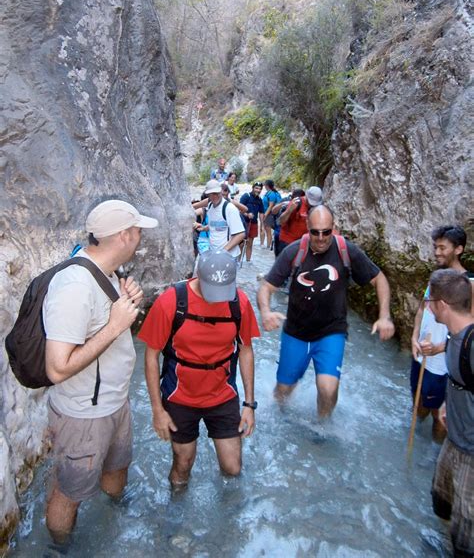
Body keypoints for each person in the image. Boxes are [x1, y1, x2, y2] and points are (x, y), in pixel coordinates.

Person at [43, 199, 158, 542]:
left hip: (113, 402)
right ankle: (60, 548)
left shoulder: (105, 271)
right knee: (70, 491)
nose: (141, 236)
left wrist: (126, 299)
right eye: (138, 231)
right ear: (123, 236)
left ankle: (113, 526)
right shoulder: (73, 287)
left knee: (116, 469)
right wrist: (115, 324)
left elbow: (103, 319)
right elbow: (56, 368)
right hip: (83, 414)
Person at [257, 205, 394, 419]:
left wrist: (384, 316)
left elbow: (379, 279)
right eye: (315, 232)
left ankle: (322, 429)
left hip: (331, 332)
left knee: (328, 389)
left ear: (334, 228)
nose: (321, 238)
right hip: (296, 332)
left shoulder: (347, 251)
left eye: (326, 232)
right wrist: (265, 312)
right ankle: (281, 420)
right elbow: (266, 286)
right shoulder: (294, 252)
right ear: (308, 227)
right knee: (283, 391)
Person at [140, 250, 260, 487]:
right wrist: (157, 410)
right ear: (198, 278)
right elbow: (151, 356)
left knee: (232, 468)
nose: (217, 299)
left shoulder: (239, 302)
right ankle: (176, 512)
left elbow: (246, 350)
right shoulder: (171, 302)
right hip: (180, 396)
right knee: (182, 465)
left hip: (222, 394)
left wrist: (249, 404)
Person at [411, 225, 473, 443]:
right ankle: (417, 439)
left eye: (442, 247)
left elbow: (470, 335)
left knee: (440, 415)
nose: (437, 252)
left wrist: (439, 348)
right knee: (418, 404)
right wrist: (413, 337)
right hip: (421, 355)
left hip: (442, 364)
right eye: (435, 247)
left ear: (458, 249)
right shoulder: (437, 278)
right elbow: (422, 309)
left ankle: (434, 453)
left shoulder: (470, 285)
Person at [427, 269, 473, 558]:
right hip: (454, 441)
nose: (428, 305)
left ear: (442, 305)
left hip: (471, 453)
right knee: (441, 503)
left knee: (465, 537)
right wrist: (446, 403)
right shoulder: (453, 338)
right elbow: (459, 381)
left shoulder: (471, 343)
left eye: (430, 300)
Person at [204, 179, 245, 260]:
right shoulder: (210, 206)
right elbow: (217, 225)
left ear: (221, 192)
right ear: (208, 195)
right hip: (214, 253)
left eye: (216, 193)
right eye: (211, 194)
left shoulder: (229, 208)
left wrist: (223, 251)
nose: (214, 196)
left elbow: (240, 234)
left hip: (228, 256)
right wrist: (204, 228)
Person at [278, 186, 323, 253]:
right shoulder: (296, 203)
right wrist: (289, 211)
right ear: (307, 197)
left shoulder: (316, 207)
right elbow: (281, 222)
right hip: (287, 242)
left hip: (303, 244)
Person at [271, 189, 305, 257]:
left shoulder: (305, 205)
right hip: (279, 232)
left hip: (295, 237)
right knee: (279, 256)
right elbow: (273, 211)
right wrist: (283, 204)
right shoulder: (285, 200)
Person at [240, 182, 265, 262]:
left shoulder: (260, 200)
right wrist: (247, 214)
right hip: (244, 222)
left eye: (259, 189)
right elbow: (239, 209)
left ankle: (248, 261)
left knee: (250, 243)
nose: (258, 190)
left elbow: (261, 212)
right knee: (241, 243)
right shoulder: (246, 196)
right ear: (253, 188)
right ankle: (238, 261)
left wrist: (262, 224)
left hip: (253, 223)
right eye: (256, 188)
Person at [261, 180, 281, 250]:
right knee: (266, 229)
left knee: (268, 230)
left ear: (267, 186)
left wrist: (265, 215)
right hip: (266, 213)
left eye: (265, 185)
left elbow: (271, 206)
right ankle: (266, 245)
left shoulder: (271, 194)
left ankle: (268, 246)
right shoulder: (268, 193)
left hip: (269, 215)